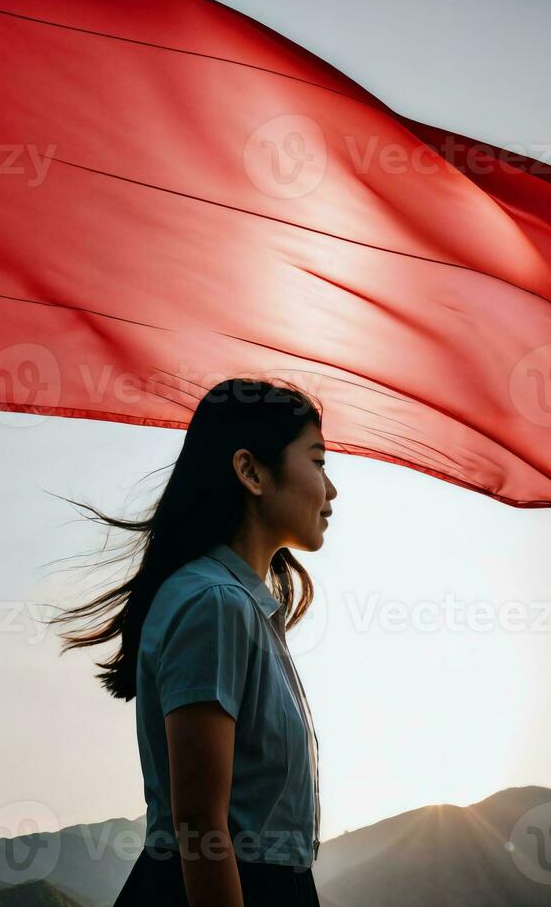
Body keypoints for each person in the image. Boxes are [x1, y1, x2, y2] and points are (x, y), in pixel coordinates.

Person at [52, 377, 337, 906]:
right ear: (251, 471)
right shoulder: (216, 604)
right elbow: (202, 828)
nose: (331, 489)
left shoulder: (241, 606)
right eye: (318, 461)